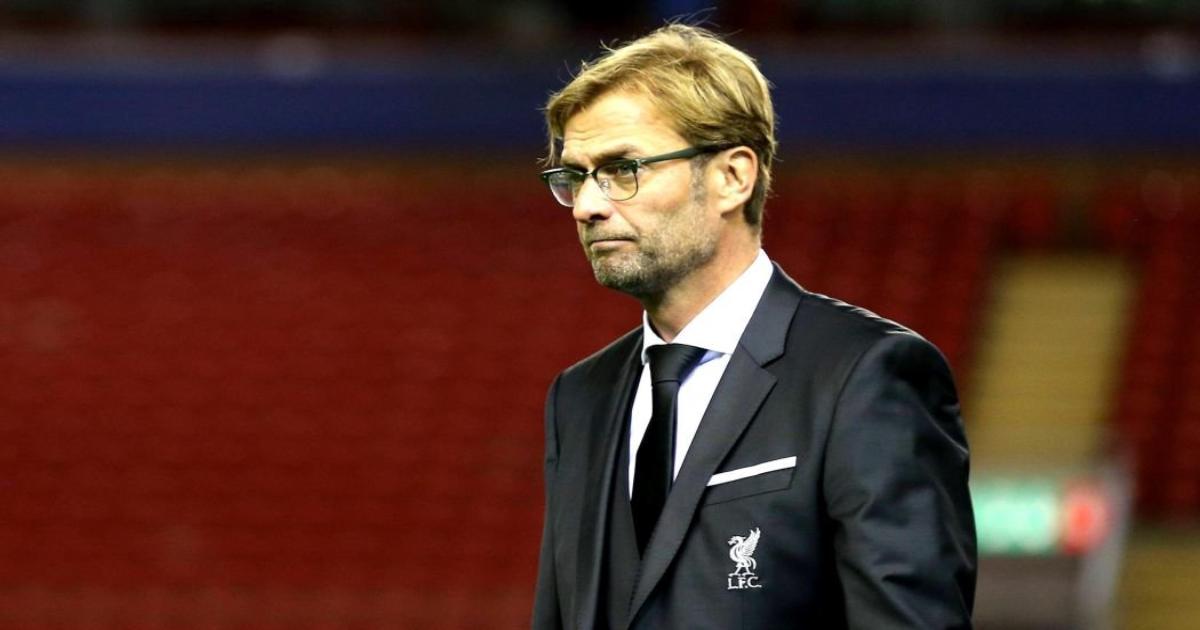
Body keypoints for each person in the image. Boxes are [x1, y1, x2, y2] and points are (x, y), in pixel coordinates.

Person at [531, 24, 976, 630]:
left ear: (733, 178)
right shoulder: (580, 396)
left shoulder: (863, 375)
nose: (587, 205)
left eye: (622, 168)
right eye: (574, 177)